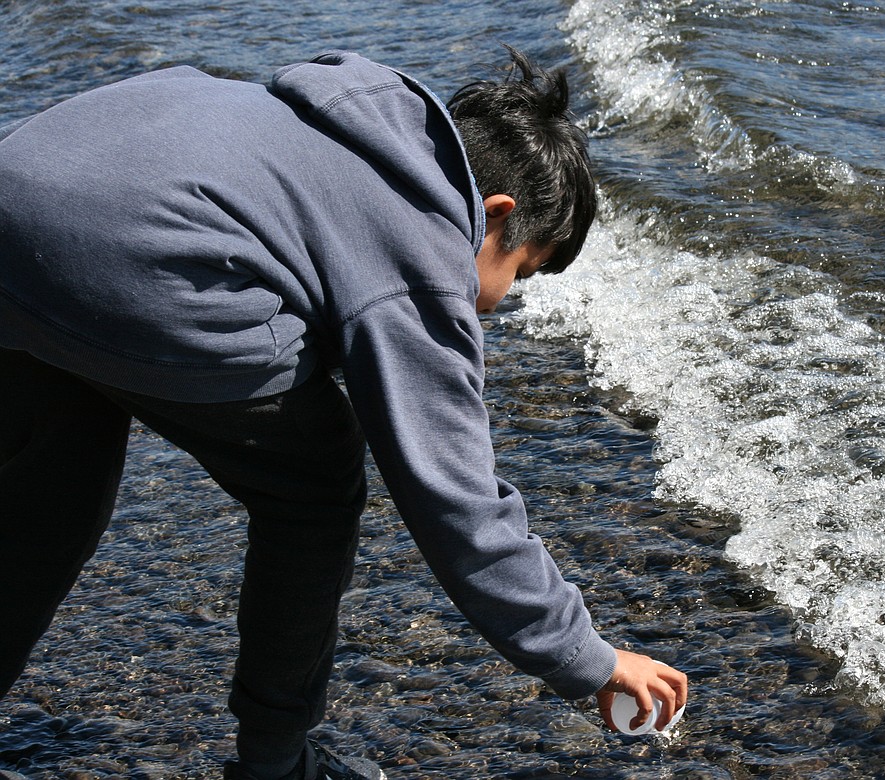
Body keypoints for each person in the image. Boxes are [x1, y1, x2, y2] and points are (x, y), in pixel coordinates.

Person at [0, 48, 687, 780]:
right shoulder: (422, 247)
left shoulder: (345, 116)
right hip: (140, 262)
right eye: (520, 271)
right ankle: (276, 762)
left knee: (46, 504)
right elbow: (456, 502)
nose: (501, 299)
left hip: (19, 206)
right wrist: (588, 657)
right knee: (315, 489)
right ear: (496, 213)